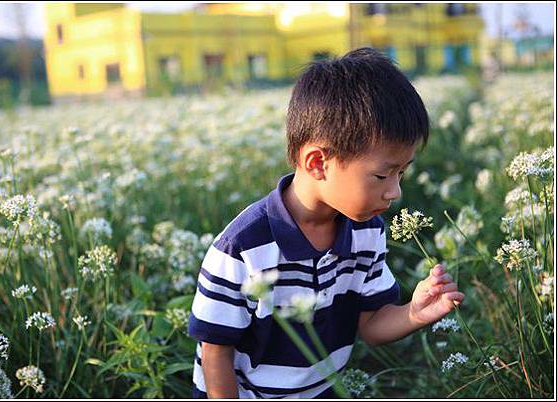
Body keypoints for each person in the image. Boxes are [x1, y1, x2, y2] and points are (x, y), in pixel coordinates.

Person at [187, 47, 465, 398]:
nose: (395, 191)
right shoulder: (243, 247)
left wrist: (415, 312)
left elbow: (372, 324)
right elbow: (215, 351)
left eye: (402, 173)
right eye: (382, 175)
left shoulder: (367, 231)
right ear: (318, 163)